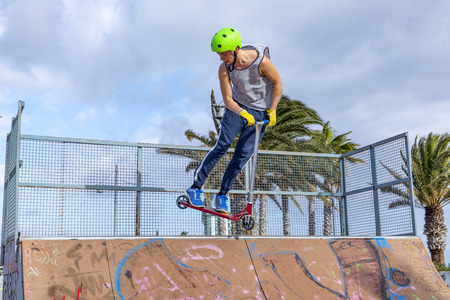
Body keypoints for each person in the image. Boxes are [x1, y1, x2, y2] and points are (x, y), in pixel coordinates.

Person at [185, 27, 282, 213]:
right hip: (236, 108)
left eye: (223, 54)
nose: (221, 58)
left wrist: (273, 109)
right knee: (222, 145)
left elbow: (277, 83)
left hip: (261, 112)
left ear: (236, 49)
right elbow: (228, 100)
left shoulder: (262, 62)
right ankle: (195, 188)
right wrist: (242, 113)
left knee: (241, 157)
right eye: (219, 55)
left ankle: (222, 195)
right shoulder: (225, 68)